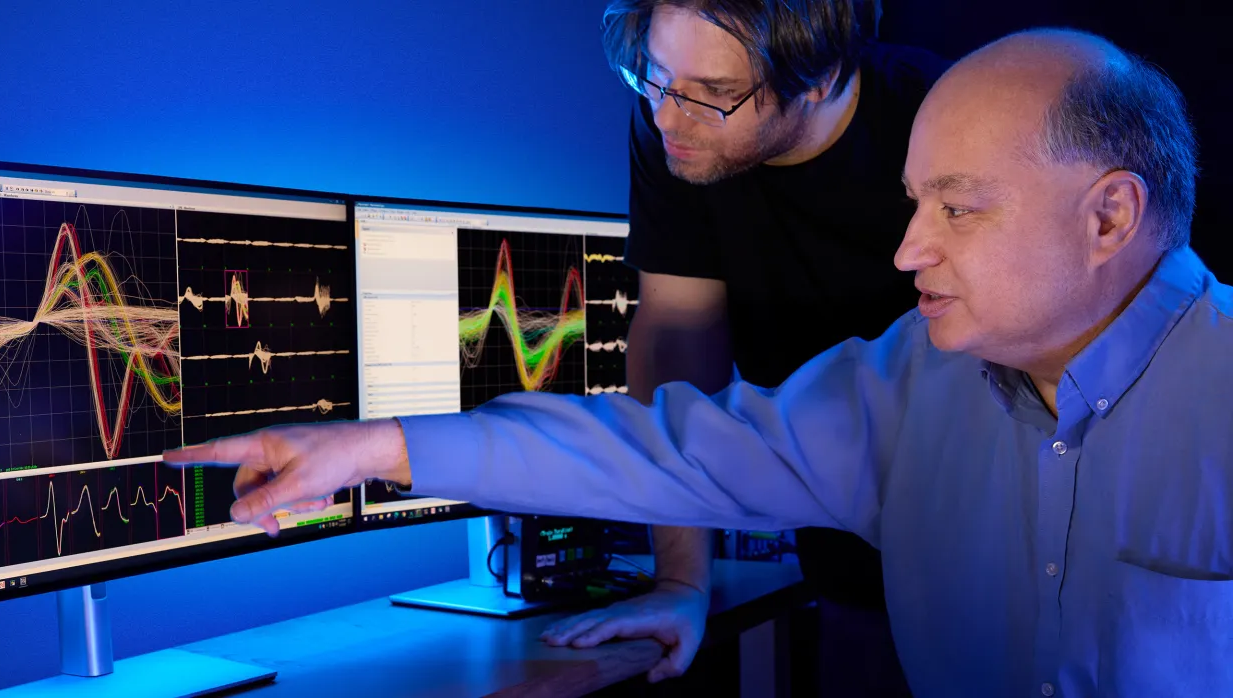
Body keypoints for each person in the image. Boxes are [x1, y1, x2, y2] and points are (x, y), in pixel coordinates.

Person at [165, 27, 1226, 697]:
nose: (907, 250)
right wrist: (380, 446)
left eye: (958, 209)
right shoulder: (914, 383)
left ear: (1109, 217)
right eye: (912, 203)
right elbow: (674, 446)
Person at [569, 0, 949, 689]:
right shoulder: (676, 126)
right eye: (654, 76)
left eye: (714, 93)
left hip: (995, 552)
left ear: (820, 79)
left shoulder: (945, 122)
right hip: (844, 564)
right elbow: (678, 343)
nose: (667, 118)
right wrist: (681, 580)